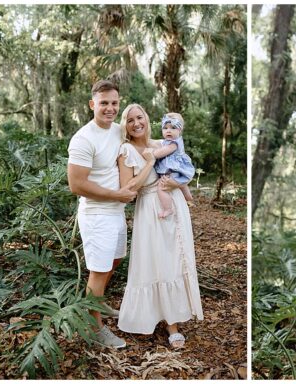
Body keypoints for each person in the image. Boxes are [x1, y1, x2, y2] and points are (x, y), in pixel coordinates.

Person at [115, 104, 204, 348]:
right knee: (155, 262)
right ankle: (153, 318)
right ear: (126, 124)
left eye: (140, 117)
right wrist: (147, 164)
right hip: (150, 210)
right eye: (130, 119)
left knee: (175, 260)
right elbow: (129, 187)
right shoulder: (126, 150)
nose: (136, 123)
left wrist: (178, 184)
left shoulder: (159, 143)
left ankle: (173, 320)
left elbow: (182, 165)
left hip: (173, 206)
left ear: (147, 119)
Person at [66, 79, 136, 348]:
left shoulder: (118, 130)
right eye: (104, 103)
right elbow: (77, 185)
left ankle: (100, 303)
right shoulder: (83, 139)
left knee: (116, 259)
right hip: (96, 215)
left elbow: (141, 141)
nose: (109, 108)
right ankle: (94, 329)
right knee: (99, 270)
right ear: (92, 104)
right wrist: (117, 195)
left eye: (114, 103)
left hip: (116, 212)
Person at [151, 113, 196, 218]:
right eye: (165, 128)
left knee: (161, 188)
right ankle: (188, 197)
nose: (168, 130)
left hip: (171, 173)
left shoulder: (173, 144)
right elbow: (156, 142)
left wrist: (153, 154)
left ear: (179, 131)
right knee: (182, 184)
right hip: (177, 172)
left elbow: (161, 153)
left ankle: (168, 209)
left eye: (173, 128)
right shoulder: (168, 141)